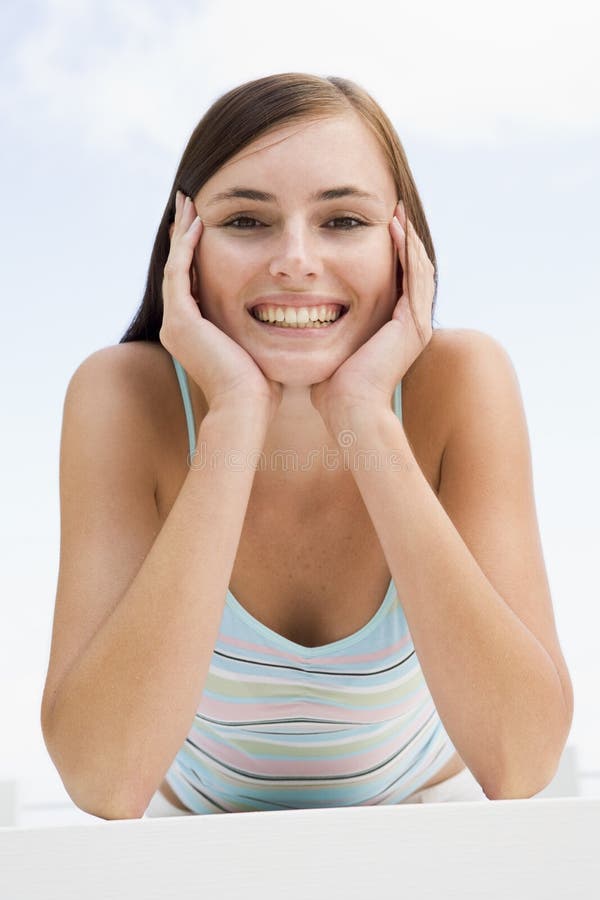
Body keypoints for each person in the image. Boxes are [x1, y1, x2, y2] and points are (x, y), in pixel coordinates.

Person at [40, 72, 574, 820]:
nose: (295, 259)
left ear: (404, 247)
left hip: (429, 800)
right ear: (183, 248)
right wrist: (232, 415)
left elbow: (521, 762)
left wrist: (364, 415)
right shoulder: (120, 396)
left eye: (344, 221)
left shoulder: (464, 379)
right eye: (247, 222)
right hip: (192, 823)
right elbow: (104, 780)